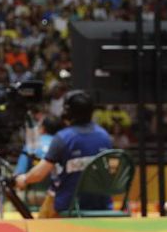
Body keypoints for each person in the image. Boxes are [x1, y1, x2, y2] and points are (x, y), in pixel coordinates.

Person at [14, 90, 113, 218]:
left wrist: (24, 179)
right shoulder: (105, 136)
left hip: (69, 205)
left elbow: (39, 174)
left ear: (67, 112)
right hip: (102, 205)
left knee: (45, 212)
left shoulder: (64, 138)